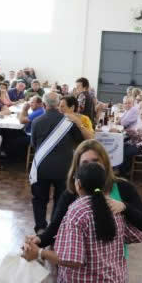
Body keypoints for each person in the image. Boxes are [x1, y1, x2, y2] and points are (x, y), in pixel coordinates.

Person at [30, 91, 91, 232]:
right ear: (58, 104)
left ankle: (40, 227)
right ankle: (56, 229)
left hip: (41, 167)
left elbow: (33, 144)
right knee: (61, 200)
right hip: (65, 168)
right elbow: (81, 141)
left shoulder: (36, 122)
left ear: (44, 104)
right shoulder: (70, 122)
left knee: (39, 199)